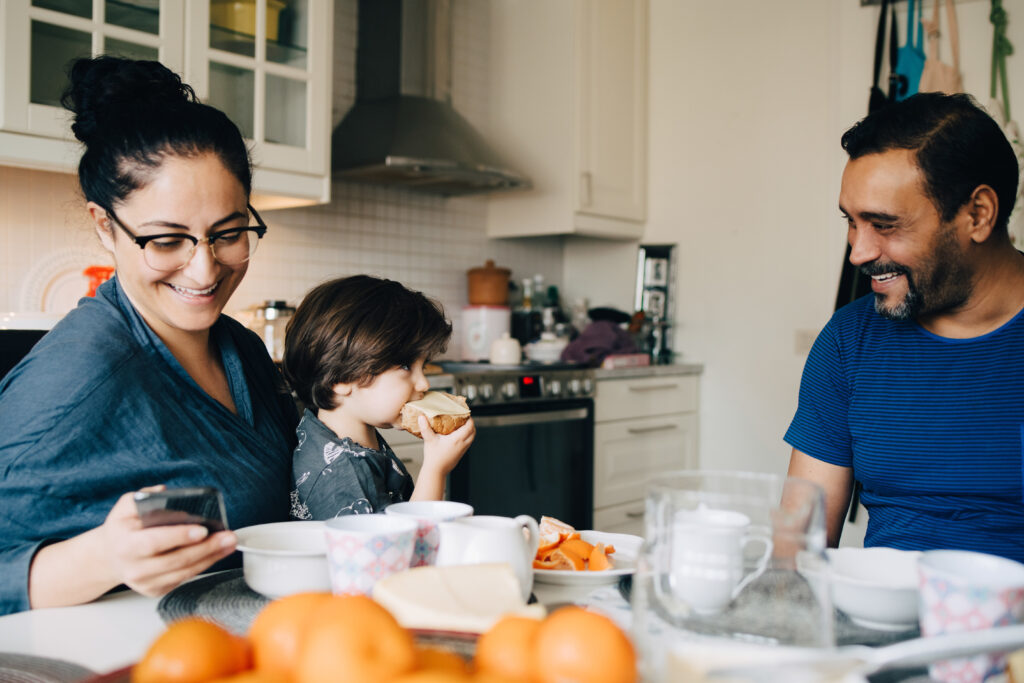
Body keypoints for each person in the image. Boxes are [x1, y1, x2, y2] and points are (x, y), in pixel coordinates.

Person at [0, 57, 299, 615]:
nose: (205, 270)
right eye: (166, 241)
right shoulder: (78, 377)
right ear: (104, 226)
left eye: (229, 234)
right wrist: (103, 558)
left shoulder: (242, 348)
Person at [785, 92, 1024, 562]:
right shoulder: (848, 340)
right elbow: (797, 549)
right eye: (852, 222)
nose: (858, 252)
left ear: (978, 214)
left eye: (883, 224)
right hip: (884, 628)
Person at [282, 275, 475, 518]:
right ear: (340, 378)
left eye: (423, 366)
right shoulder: (345, 473)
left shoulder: (345, 436)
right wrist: (436, 469)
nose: (423, 383)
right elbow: (397, 550)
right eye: (405, 366)